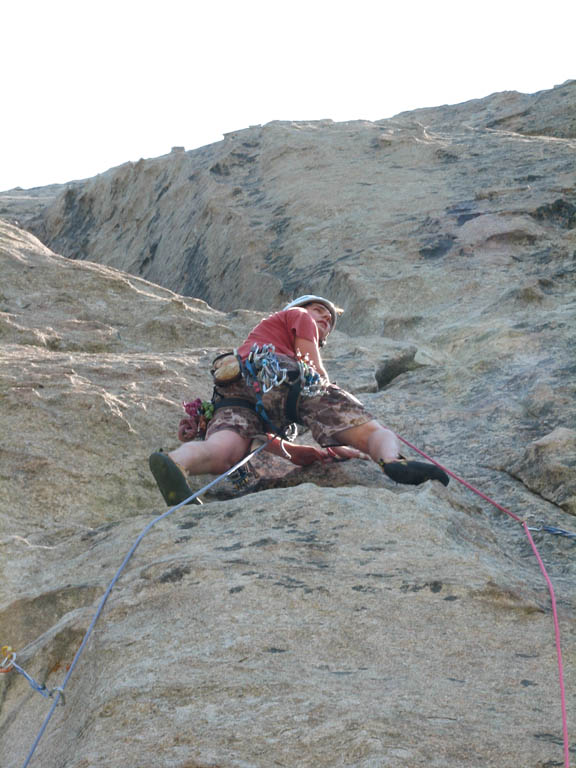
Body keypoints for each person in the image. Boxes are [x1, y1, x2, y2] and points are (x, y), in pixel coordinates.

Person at [149, 295, 448, 505]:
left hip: (234, 390)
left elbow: (266, 430)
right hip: (284, 376)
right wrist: (337, 416)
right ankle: (392, 460)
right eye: (320, 311)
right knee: (374, 432)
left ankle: (177, 463)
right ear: (300, 309)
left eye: (329, 321)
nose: (325, 318)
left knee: (224, 450)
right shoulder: (298, 316)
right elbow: (313, 372)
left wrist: (309, 453)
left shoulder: (254, 342)